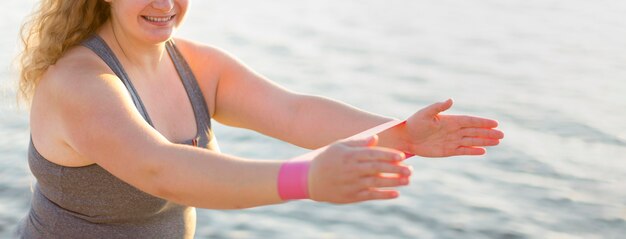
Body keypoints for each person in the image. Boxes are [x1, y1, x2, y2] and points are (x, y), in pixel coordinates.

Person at [15, 0, 504, 238]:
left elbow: (292, 111)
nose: (164, 4)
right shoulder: (80, 83)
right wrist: (306, 178)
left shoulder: (195, 64)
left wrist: (401, 134)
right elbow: (160, 169)